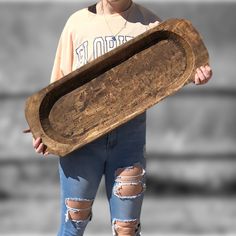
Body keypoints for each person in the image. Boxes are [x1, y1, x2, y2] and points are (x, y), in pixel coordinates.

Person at [30, 0, 213, 235]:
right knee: (72, 228)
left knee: (126, 230)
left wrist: (196, 73)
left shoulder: (153, 26)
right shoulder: (77, 24)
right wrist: (45, 133)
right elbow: (57, 90)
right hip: (80, 143)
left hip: (129, 143)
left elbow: (174, 70)